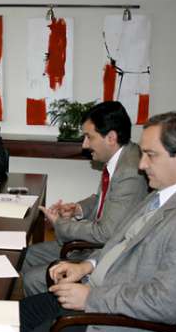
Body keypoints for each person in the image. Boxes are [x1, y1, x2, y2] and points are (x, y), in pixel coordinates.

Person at [5, 112, 176, 332]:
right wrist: (86, 266)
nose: (142, 164)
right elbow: (119, 245)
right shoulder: (162, 195)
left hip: (120, 328)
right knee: (5, 322)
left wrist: (91, 298)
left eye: (151, 155)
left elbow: (166, 303)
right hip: (101, 303)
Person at [21, 101, 148, 296]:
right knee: (27, 255)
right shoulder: (121, 157)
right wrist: (78, 209)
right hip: (92, 244)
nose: (84, 145)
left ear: (111, 137)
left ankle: (53, 317)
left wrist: (60, 224)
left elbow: (105, 233)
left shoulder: (129, 172)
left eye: (89, 137)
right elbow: (102, 198)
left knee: (32, 278)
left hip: (103, 253)